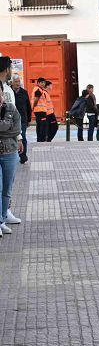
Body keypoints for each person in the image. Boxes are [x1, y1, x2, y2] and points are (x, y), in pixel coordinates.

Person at [0, 57, 24, 239]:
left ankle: (5, 213)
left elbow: (15, 121)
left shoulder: (7, 89)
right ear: (5, 69)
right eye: (9, 68)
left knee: (8, 184)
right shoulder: (4, 87)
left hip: (10, 145)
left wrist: (18, 136)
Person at [11, 76, 29, 164]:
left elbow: (28, 107)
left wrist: (28, 119)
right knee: (13, 137)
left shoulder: (24, 92)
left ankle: (23, 155)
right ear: (12, 82)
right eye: (16, 81)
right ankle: (14, 155)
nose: (18, 83)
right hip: (11, 119)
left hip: (22, 119)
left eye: (19, 81)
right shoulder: (9, 92)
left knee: (23, 136)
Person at [31, 78, 53, 143]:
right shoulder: (38, 89)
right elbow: (36, 99)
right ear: (38, 83)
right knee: (43, 125)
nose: (43, 84)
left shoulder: (38, 89)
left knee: (39, 125)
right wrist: (34, 106)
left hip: (40, 110)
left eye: (44, 82)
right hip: (40, 111)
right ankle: (41, 139)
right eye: (42, 82)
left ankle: (39, 139)